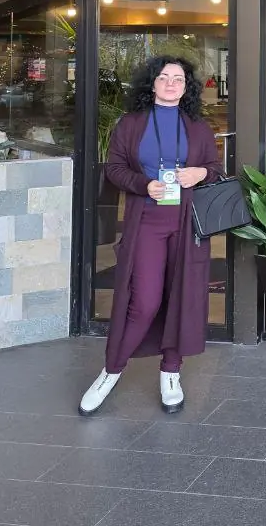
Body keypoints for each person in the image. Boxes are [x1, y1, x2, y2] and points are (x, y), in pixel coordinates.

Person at [79, 55, 222, 416]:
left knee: (180, 297)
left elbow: (215, 170)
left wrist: (200, 174)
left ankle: (170, 372)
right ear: (152, 83)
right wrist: (143, 184)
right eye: (164, 77)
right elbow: (114, 169)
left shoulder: (198, 127)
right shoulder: (131, 124)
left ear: (187, 87)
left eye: (178, 79)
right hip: (146, 220)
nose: (171, 84)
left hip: (188, 224)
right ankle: (110, 371)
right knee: (143, 303)